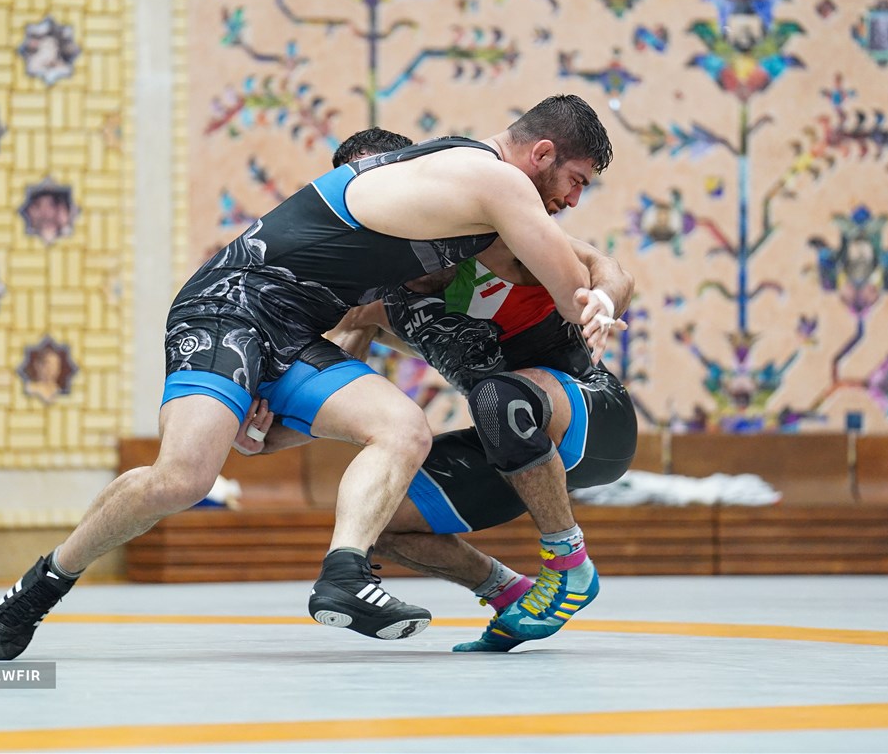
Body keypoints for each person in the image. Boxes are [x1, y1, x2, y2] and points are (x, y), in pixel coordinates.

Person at [0, 95, 614, 660]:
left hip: (293, 332)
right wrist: (594, 305)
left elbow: (591, 265)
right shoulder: (493, 178)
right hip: (231, 306)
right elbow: (571, 285)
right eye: (575, 181)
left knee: (403, 429)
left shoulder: (458, 196)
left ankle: (344, 576)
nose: (572, 201)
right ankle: (43, 583)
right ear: (541, 153)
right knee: (183, 477)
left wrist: (274, 428)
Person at [235, 128, 637, 652]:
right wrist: (262, 437)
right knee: (377, 519)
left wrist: (603, 300)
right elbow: (332, 401)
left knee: (498, 398)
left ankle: (568, 564)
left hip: (591, 417)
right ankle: (508, 592)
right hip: (513, 451)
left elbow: (610, 269)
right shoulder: (370, 304)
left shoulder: (493, 237)